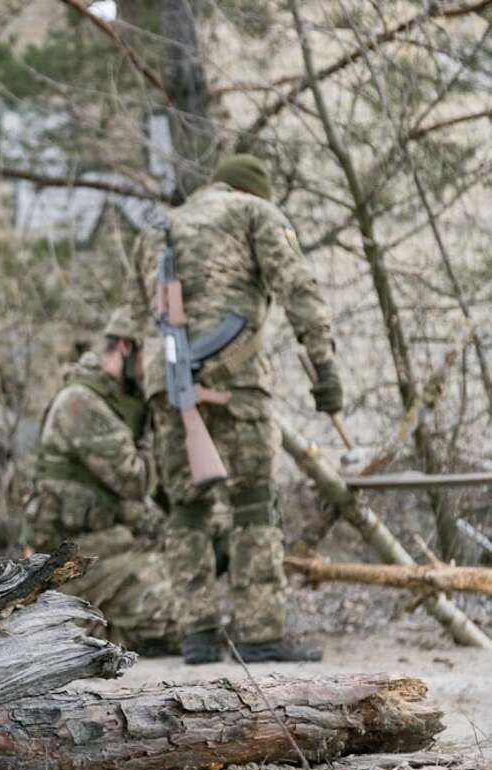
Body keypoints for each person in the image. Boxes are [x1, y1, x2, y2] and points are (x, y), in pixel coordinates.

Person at [130, 154, 343, 665]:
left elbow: (140, 317)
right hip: (235, 379)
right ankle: (259, 633)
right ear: (255, 190)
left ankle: (198, 634)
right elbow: (298, 286)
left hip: (167, 381)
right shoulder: (255, 212)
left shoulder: (157, 231)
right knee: (254, 501)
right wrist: (324, 365)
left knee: (187, 508)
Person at [26, 308, 181, 654]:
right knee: (184, 622)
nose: (157, 373)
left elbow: (131, 502)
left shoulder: (116, 402)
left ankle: (105, 629)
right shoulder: (82, 403)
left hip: (106, 549)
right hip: (77, 560)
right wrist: (156, 424)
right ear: (127, 348)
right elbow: (135, 480)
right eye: (154, 358)